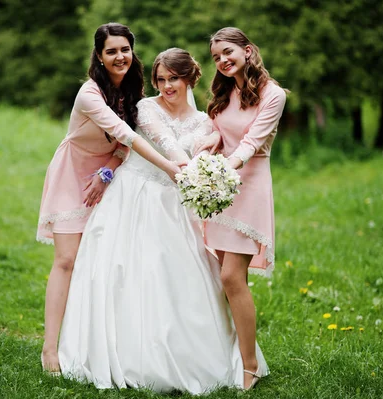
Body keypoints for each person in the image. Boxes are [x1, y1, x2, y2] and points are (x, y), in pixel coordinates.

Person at [57, 48, 268, 394]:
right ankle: (126, 354)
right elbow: (165, 142)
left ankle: (192, 354)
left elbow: (210, 145)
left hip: (174, 204)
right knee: (126, 272)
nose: (167, 86)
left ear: (189, 79)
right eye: (161, 79)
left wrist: (206, 153)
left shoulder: (204, 123)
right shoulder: (145, 108)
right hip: (134, 196)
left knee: (179, 273)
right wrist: (184, 166)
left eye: (174, 79)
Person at [37, 23, 181, 374]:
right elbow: (125, 134)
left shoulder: (132, 92)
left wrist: (107, 174)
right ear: (99, 57)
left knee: (101, 260)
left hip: (111, 177)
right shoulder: (90, 94)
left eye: (125, 50)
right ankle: (50, 348)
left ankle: (94, 342)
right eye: (112, 51)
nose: (120, 57)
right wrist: (171, 168)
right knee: (67, 260)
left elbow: (121, 148)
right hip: (73, 175)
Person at [195, 27, 287, 389]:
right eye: (217, 57)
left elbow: (251, 143)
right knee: (223, 278)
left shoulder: (272, 94)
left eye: (228, 52)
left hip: (249, 187)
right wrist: (204, 154)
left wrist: (222, 168)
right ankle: (226, 354)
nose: (222, 60)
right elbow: (216, 132)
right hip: (219, 188)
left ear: (248, 50)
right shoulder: (224, 93)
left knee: (232, 276)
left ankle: (249, 366)